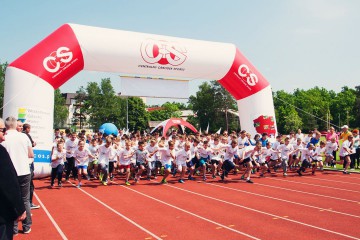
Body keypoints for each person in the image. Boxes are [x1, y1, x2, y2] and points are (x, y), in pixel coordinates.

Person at [1, 117, 33, 235]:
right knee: (25, 200)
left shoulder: (4, 137)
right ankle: (26, 226)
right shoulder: (24, 137)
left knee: (9, 199)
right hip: (24, 171)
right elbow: (31, 154)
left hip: (9, 173)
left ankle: (13, 228)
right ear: (15, 125)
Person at [22, 123, 39, 210]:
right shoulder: (26, 136)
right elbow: (31, 146)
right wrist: (33, 144)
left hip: (25, 163)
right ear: (27, 128)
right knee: (29, 185)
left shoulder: (22, 135)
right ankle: (29, 204)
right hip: (28, 163)